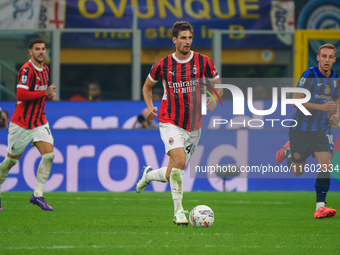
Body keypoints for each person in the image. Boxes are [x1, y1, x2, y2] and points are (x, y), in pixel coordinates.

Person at [135, 21, 223, 225]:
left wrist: (214, 97)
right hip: (170, 121)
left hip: (194, 127)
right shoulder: (163, 64)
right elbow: (147, 87)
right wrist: (149, 108)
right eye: (183, 38)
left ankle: (148, 175)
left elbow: (218, 86)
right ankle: (179, 212)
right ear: (174, 40)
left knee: (171, 173)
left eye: (190, 38)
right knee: (180, 163)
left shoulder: (203, 61)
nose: (187, 42)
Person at [276, 43, 339, 219]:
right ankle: (289, 151)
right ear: (318, 57)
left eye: (330, 57)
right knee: (297, 170)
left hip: (321, 129)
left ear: (334, 59)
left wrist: (337, 114)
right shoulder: (309, 75)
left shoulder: (335, 78)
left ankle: (320, 206)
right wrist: (321, 107)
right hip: (301, 129)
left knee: (326, 163)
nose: (327, 60)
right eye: (324, 56)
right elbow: (296, 101)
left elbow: (337, 98)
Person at [0, 38, 56, 211]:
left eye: (43, 49)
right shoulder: (26, 70)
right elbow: (22, 94)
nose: (41, 52)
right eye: (37, 49)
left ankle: (38, 195)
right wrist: (43, 92)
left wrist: (48, 96)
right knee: (10, 162)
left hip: (39, 122)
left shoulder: (45, 69)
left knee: (49, 156)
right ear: (30, 52)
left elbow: (39, 94)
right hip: (22, 124)